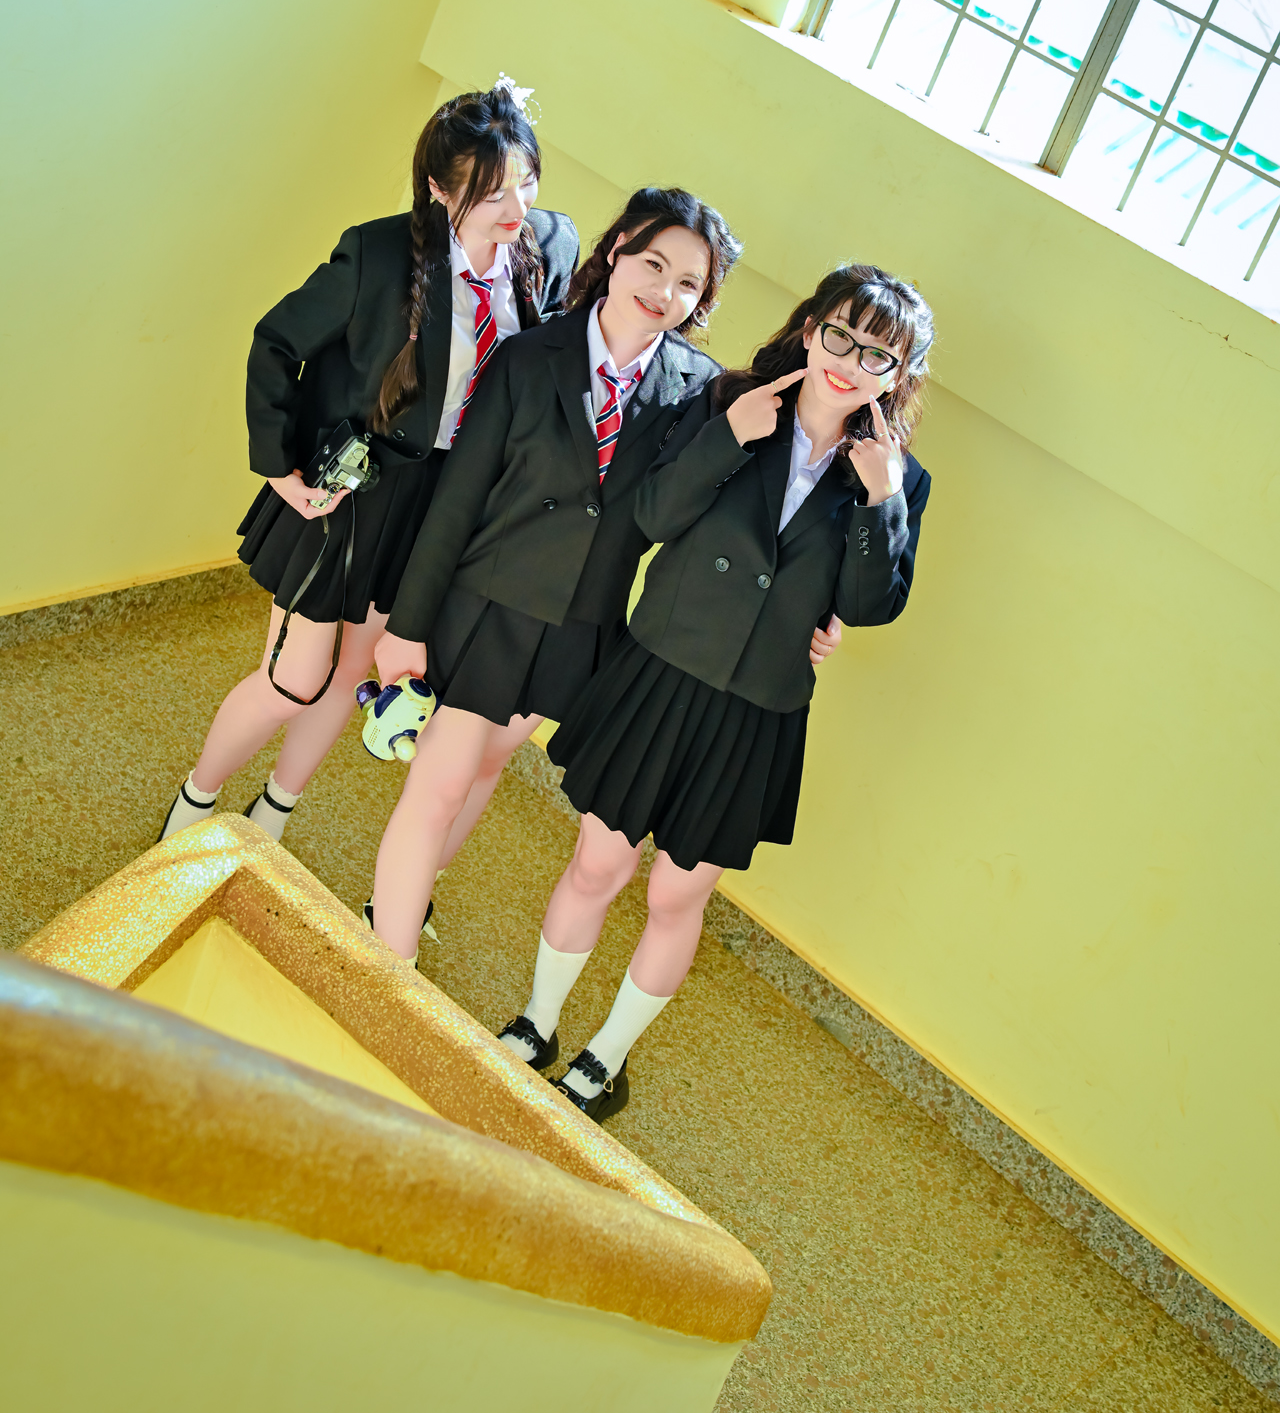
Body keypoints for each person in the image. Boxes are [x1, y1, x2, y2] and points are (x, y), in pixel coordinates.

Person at [500, 262, 935, 1121]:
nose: (850, 361)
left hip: (754, 712)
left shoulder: (896, 476)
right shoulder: (729, 404)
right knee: (598, 864)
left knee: (675, 894)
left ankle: (604, 1059)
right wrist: (727, 438)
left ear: (898, 375)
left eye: (877, 354)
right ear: (809, 330)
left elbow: (866, 605)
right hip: (660, 673)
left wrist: (882, 502)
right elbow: (653, 516)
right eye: (840, 335)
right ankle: (536, 1024)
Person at [157, 78, 577, 846]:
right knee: (293, 678)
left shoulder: (551, 245)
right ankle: (196, 799)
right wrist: (278, 466)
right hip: (354, 489)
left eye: (527, 183)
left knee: (352, 672)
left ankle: (272, 815)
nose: (516, 209)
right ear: (438, 190)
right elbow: (275, 343)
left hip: (441, 504)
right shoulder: (379, 254)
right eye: (492, 195)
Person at [363, 187, 752, 964]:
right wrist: (405, 628)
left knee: (487, 767)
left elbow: (689, 518)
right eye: (653, 264)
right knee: (439, 783)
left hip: (580, 625)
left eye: (689, 283)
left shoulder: (696, 392)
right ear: (617, 251)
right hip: (486, 604)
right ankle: (384, 967)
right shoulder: (530, 355)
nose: (665, 291)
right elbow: (457, 501)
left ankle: (398, 900)